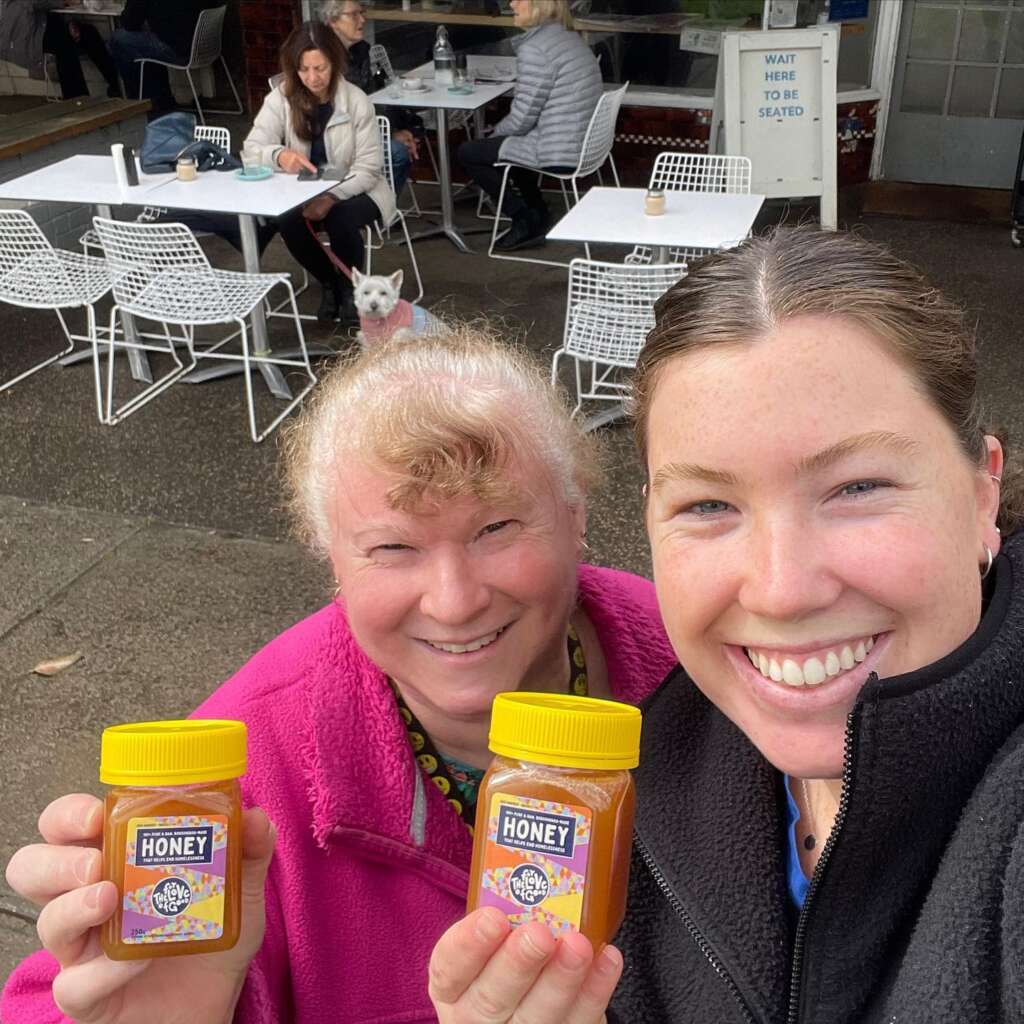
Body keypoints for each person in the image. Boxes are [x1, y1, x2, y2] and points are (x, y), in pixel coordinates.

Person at [427, 226, 1024, 1023]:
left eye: (857, 487)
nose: (780, 590)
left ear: (983, 493)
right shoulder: (636, 797)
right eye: (708, 505)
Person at [1, 327, 677, 1024]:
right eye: (392, 547)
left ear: (575, 516)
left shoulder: (699, 673)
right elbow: (50, 1004)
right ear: (332, 561)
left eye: (497, 528)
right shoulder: (237, 771)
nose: (454, 600)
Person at [243, 20, 394, 325]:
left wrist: (332, 196)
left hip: (360, 188)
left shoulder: (356, 100)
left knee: (340, 217)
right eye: (304, 69)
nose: (312, 78)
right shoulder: (281, 99)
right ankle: (328, 281)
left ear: (335, 62)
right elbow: (251, 149)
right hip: (304, 191)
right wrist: (278, 154)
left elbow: (367, 168)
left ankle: (349, 287)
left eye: (320, 68)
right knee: (287, 218)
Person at [457, 0, 601, 252]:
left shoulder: (536, 49)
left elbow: (523, 118)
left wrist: (495, 134)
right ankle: (538, 212)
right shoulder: (569, 38)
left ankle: (524, 219)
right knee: (507, 146)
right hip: (580, 143)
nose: (511, 3)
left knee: (469, 152)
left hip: (559, 150)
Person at [321, 0, 422, 200]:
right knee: (397, 152)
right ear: (333, 21)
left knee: (416, 128)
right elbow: (340, 115)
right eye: (354, 15)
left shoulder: (359, 50)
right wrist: (388, 135)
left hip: (367, 129)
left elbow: (371, 99)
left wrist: (396, 130)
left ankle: (375, 207)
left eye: (362, 13)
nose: (362, 19)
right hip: (336, 142)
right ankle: (372, 208)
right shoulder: (322, 59)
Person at [0, 0, 120, 99]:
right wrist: (67, 2)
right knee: (64, 43)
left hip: (39, 22)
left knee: (88, 33)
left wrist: (68, 21)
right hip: (21, 36)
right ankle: (77, 101)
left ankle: (116, 86)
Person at [109, 0, 214, 112]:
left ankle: (139, 101)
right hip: (204, 45)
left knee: (118, 39)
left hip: (177, 49)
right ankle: (160, 98)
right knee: (146, 41)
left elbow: (130, 22)